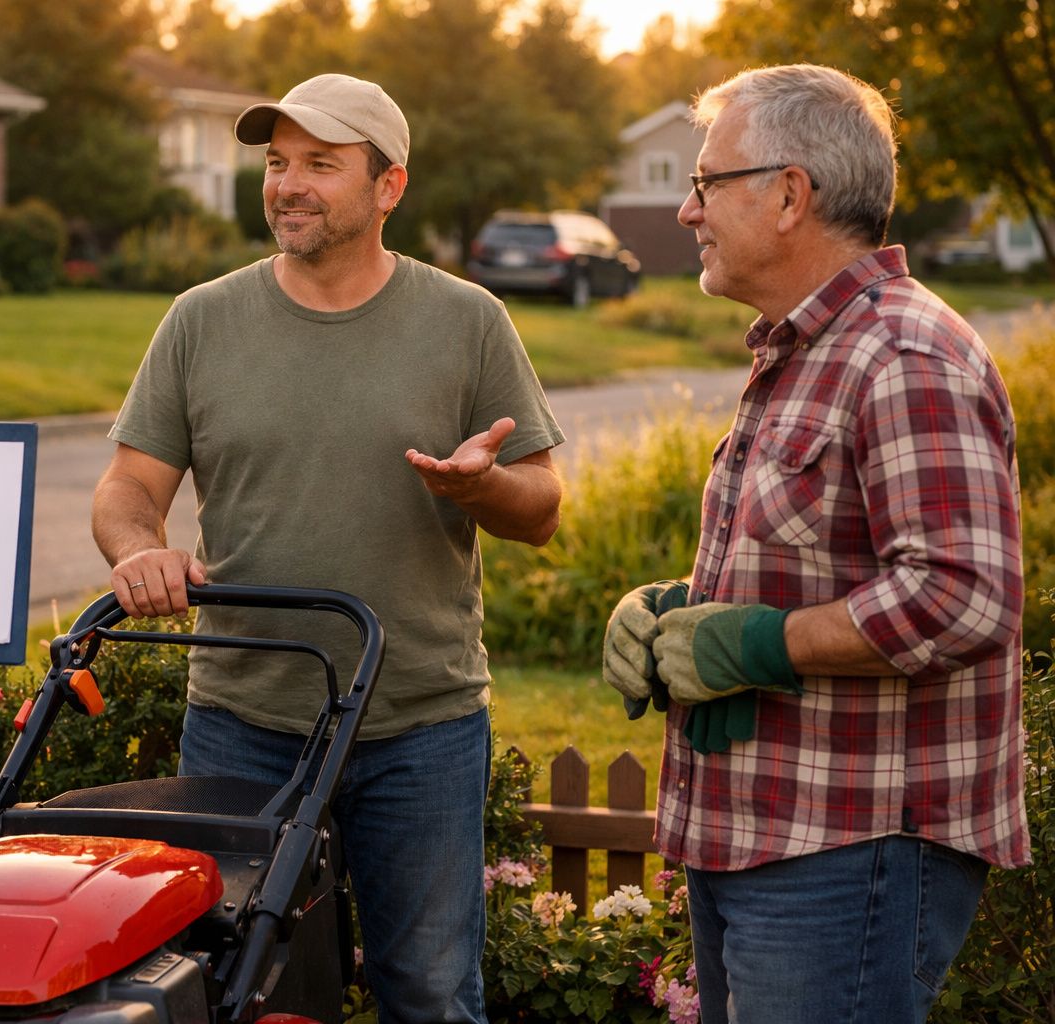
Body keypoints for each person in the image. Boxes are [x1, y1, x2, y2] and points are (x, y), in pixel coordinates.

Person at [90, 73, 564, 1022]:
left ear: (389, 187)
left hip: (418, 722)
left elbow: (542, 508)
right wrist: (137, 548)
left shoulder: (467, 321)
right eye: (276, 163)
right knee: (232, 988)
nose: (288, 184)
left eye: (320, 164)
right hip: (242, 714)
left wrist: (484, 486)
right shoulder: (201, 319)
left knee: (429, 992)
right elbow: (129, 490)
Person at [601, 64, 1028, 1024]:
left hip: (851, 850)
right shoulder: (809, 349)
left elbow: (965, 595)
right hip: (770, 834)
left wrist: (759, 644)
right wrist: (676, 611)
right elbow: (815, 561)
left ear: (790, 194)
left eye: (706, 183)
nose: (686, 210)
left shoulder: (903, 354)